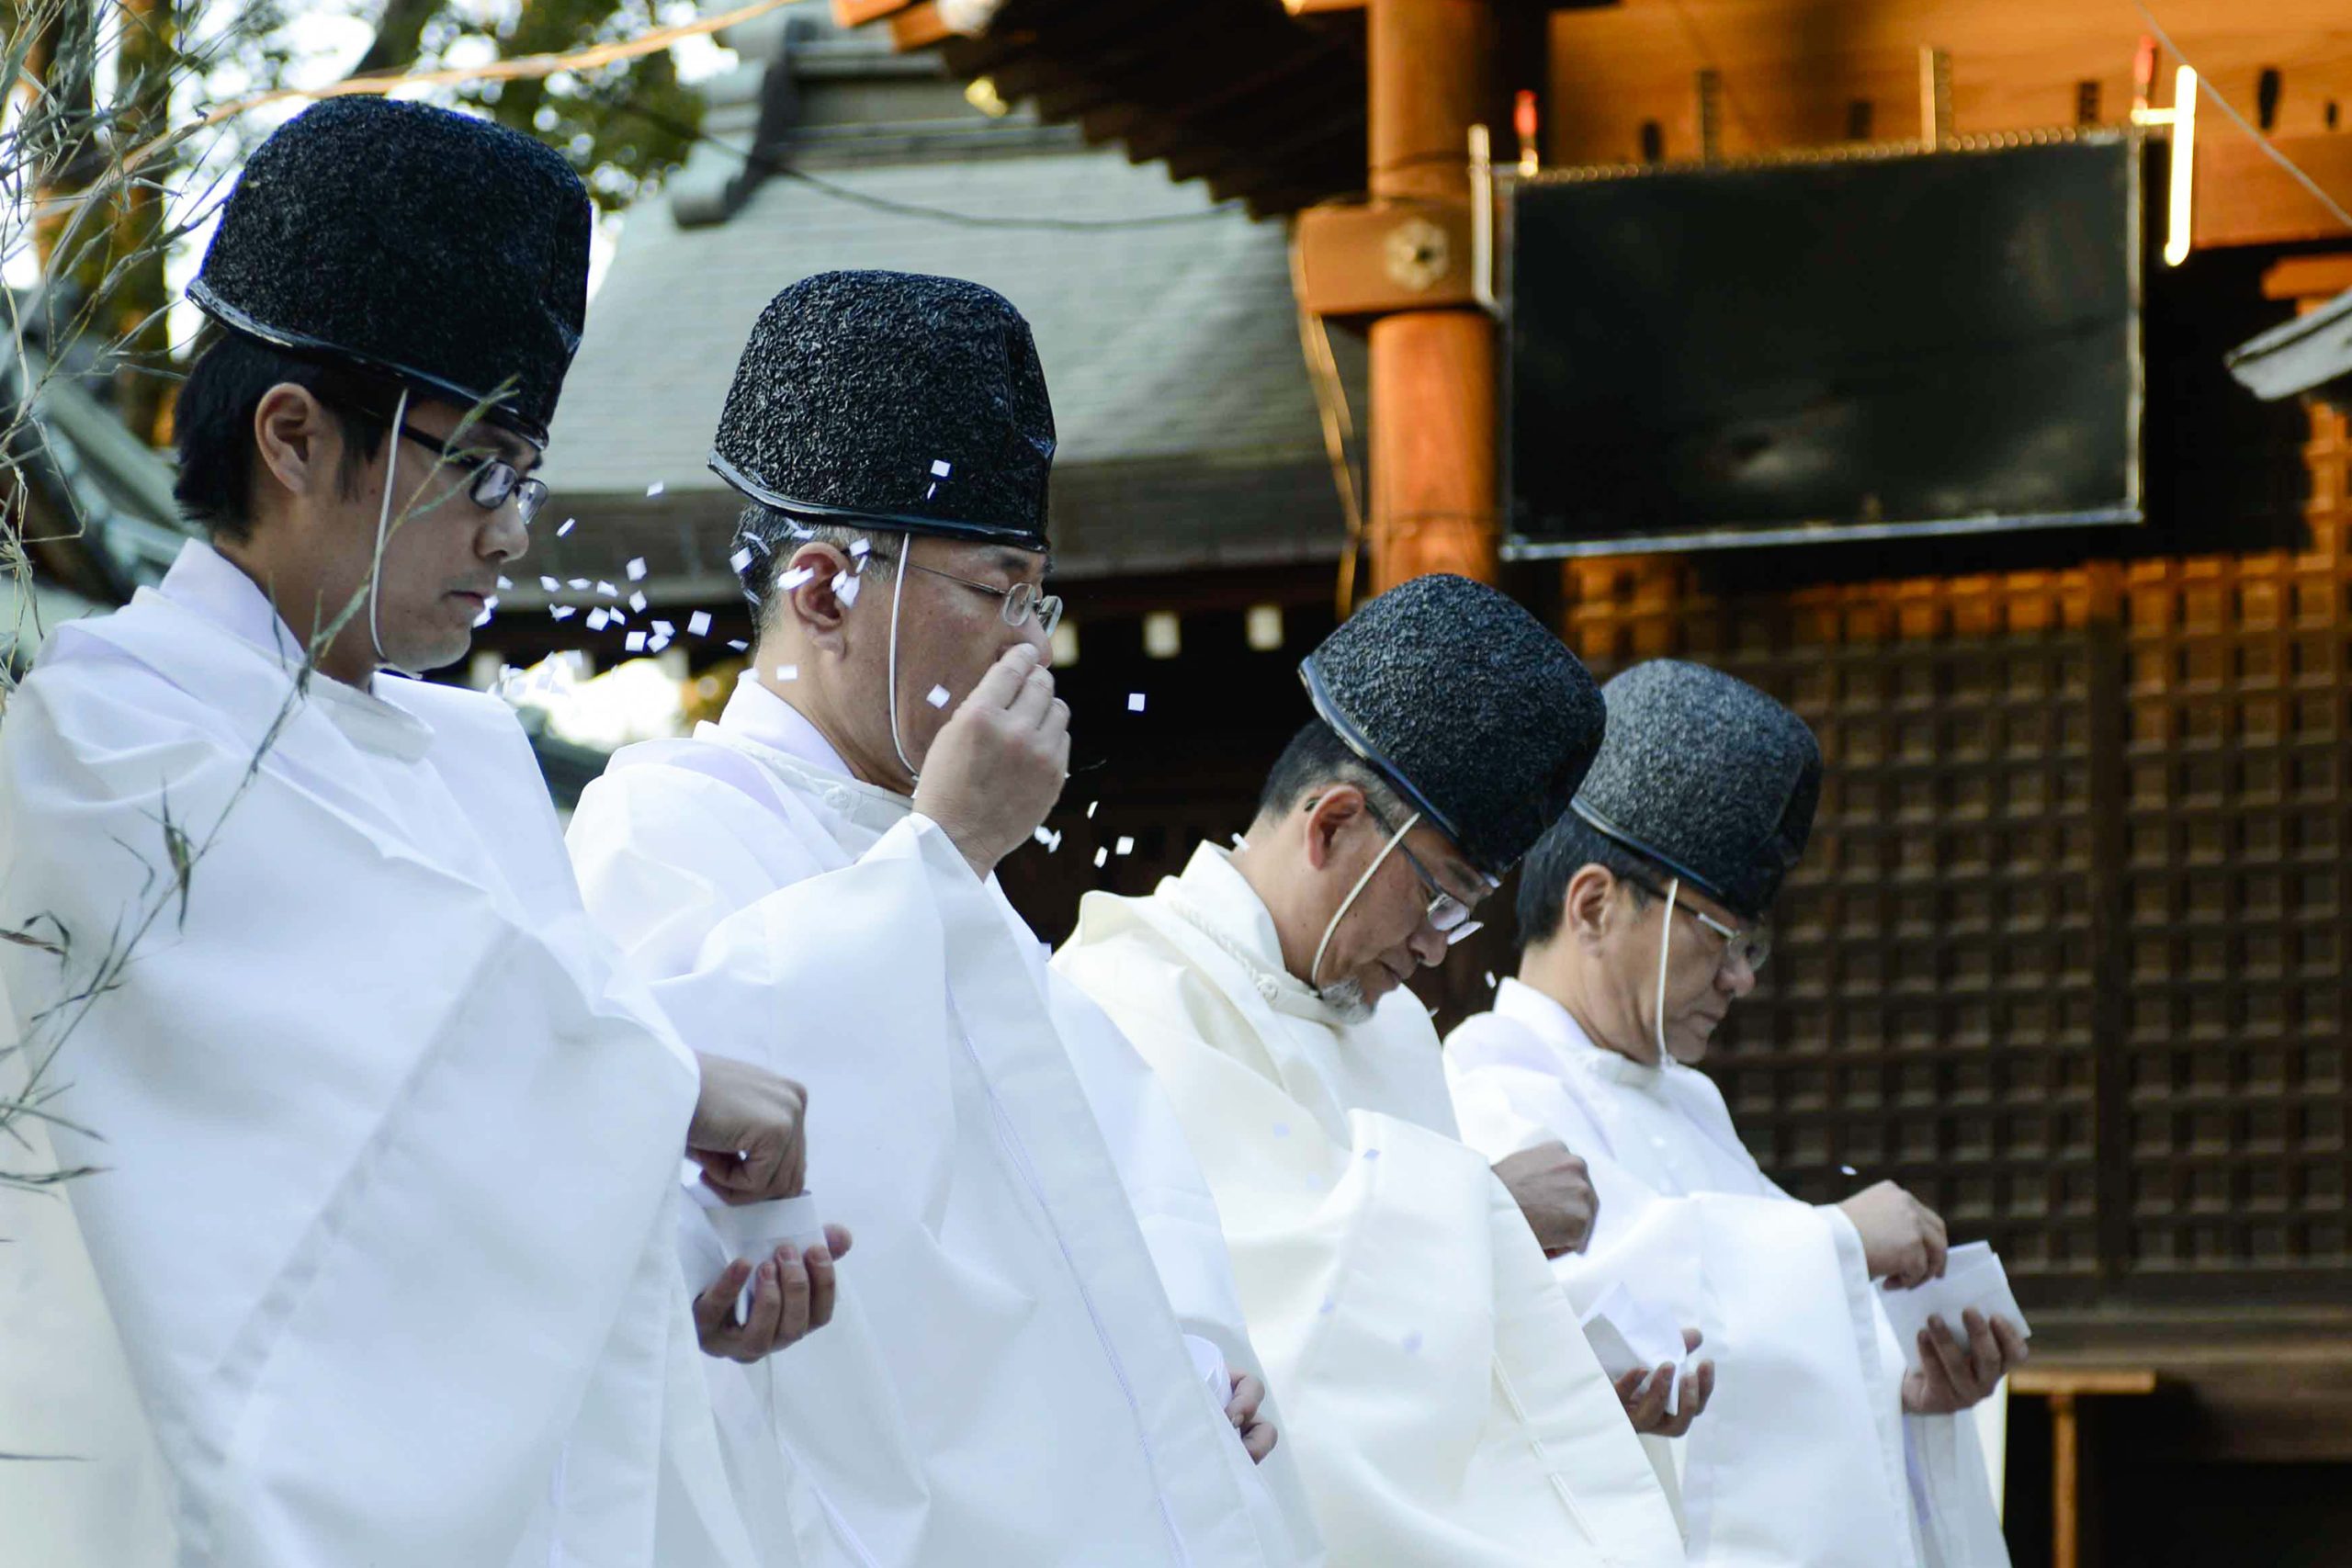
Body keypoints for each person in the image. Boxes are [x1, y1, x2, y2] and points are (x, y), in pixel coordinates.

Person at [0, 98, 834, 1567]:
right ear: (296, 435)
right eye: (485, 467)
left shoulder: (465, 755)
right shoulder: (97, 748)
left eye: (530, 475)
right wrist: (667, 1080)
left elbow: (478, 1182)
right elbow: (303, 1159)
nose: (513, 533)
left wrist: (676, 1267)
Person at [566, 269, 1322, 1568]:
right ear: (822, 586)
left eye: (1039, 597)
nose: (1028, 647)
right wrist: (945, 851)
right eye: (995, 589)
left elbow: (1117, 1158)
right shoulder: (660, 820)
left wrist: (1191, 1331)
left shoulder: (923, 859)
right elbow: (688, 1120)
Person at [1054, 574, 1707, 1568]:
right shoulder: (1125, 995)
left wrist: (1551, 1375)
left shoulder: (1392, 1029)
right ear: (1331, 825)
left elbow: (1410, 1355)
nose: (1440, 949)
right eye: (1440, 897)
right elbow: (1255, 1325)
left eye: (1466, 911)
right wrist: (1484, 1211)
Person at [1445, 658, 2022, 1568]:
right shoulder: (1485, 1090)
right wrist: (1835, 1239)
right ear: (1593, 905)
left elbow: (1758, 1331)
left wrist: (1902, 1379)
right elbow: (1585, 1328)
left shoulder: (1687, 1103)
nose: (1741, 978)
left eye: (1751, 944)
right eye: (1719, 936)